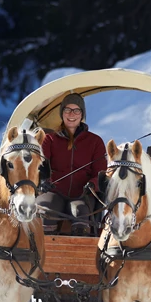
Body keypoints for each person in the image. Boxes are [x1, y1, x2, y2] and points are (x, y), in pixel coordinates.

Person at [36, 92, 108, 235]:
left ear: (82, 114)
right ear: (62, 113)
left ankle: (79, 254)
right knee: (46, 209)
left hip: (82, 194)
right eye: (67, 110)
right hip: (53, 191)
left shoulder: (95, 141)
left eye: (76, 110)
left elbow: (101, 173)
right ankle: (43, 253)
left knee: (80, 213)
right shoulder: (49, 139)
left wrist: (92, 184)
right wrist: (44, 181)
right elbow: (41, 165)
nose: (71, 114)